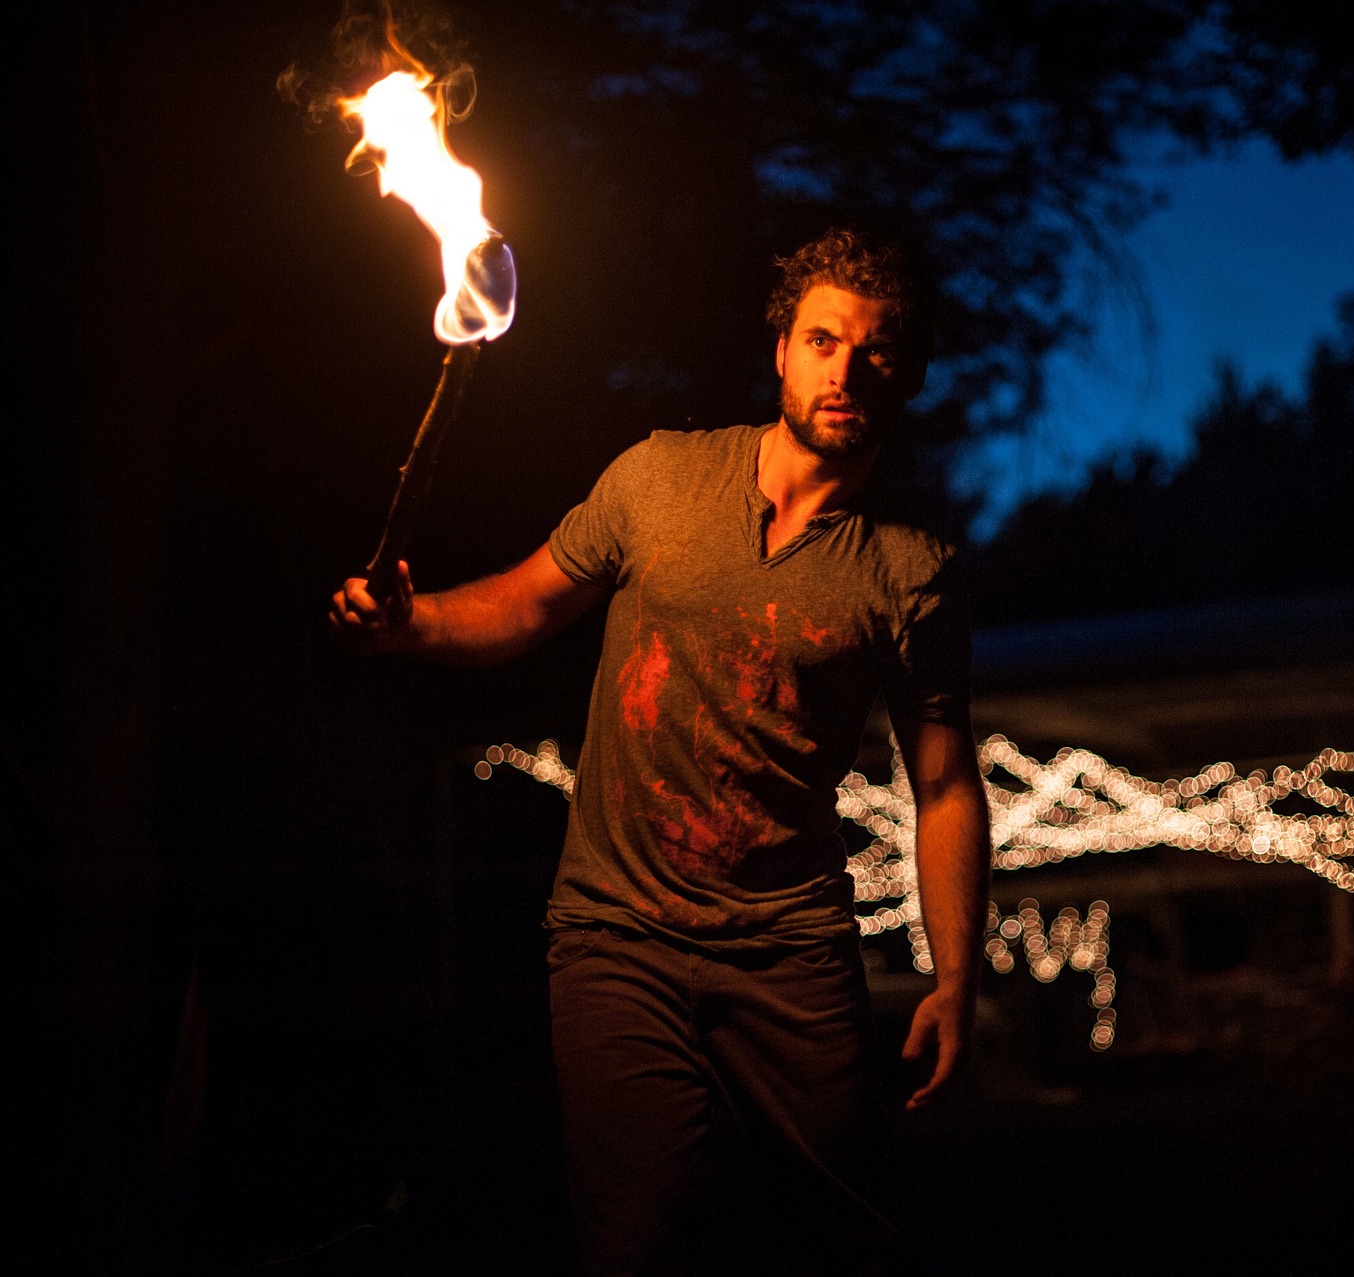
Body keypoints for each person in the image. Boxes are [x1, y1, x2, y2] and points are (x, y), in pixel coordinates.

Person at [330, 228, 990, 1275]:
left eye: (873, 350)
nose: (844, 368)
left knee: (844, 1227)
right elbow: (525, 602)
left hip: (789, 945)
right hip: (617, 933)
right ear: (780, 349)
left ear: (905, 372)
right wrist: (410, 625)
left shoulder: (910, 569)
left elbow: (946, 784)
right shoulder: (657, 477)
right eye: (822, 340)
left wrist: (959, 979)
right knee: (639, 1237)